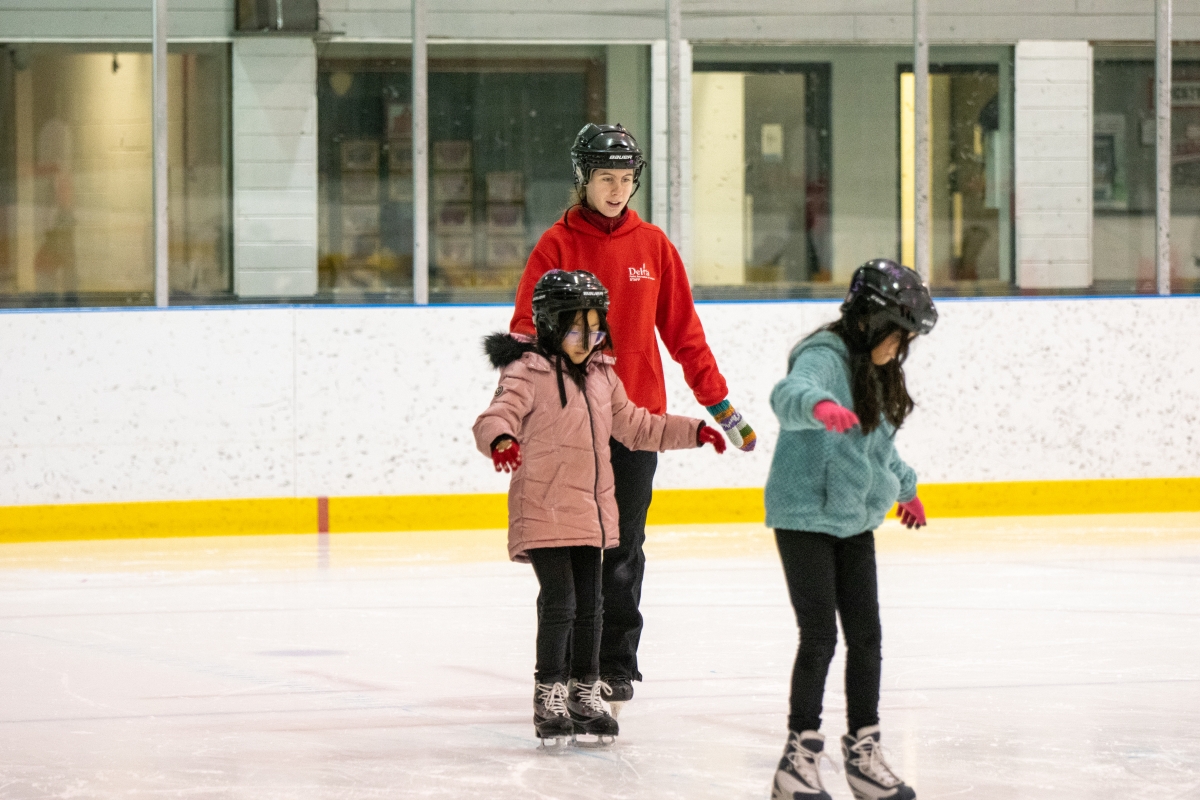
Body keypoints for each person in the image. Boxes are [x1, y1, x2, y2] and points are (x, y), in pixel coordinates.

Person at [508, 123, 755, 712]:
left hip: (635, 420)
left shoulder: (654, 247)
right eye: (604, 179)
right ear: (583, 180)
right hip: (567, 427)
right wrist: (520, 411)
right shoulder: (555, 246)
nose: (616, 191)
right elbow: (524, 331)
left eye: (625, 180)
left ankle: (615, 665)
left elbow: (684, 335)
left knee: (624, 549)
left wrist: (719, 405)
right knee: (570, 554)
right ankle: (562, 669)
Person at [474, 270, 726, 746]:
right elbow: (495, 415)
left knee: (592, 606)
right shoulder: (527, 371)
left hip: (591, 515)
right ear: (549, 325)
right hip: (544, 511)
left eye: (594, 328)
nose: (586, 338)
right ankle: (549, 692)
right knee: (561, 604)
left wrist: (694, 431)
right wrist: (501, 439)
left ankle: (584, 693)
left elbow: (637, 427)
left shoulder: (602, 376)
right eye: (575, 328)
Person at [764, 259, 936, 800]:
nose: (899, 348)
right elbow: (788, 393)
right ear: (869, 320)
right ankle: (798, 757)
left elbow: (880, 446)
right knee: (819, 636)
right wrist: (817, 404)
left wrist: (906, 490)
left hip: (855, 519)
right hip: (805, 516)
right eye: (897, 335)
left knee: (867, 636)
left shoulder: (875, 369)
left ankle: (863, 751)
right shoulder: (823, 355)